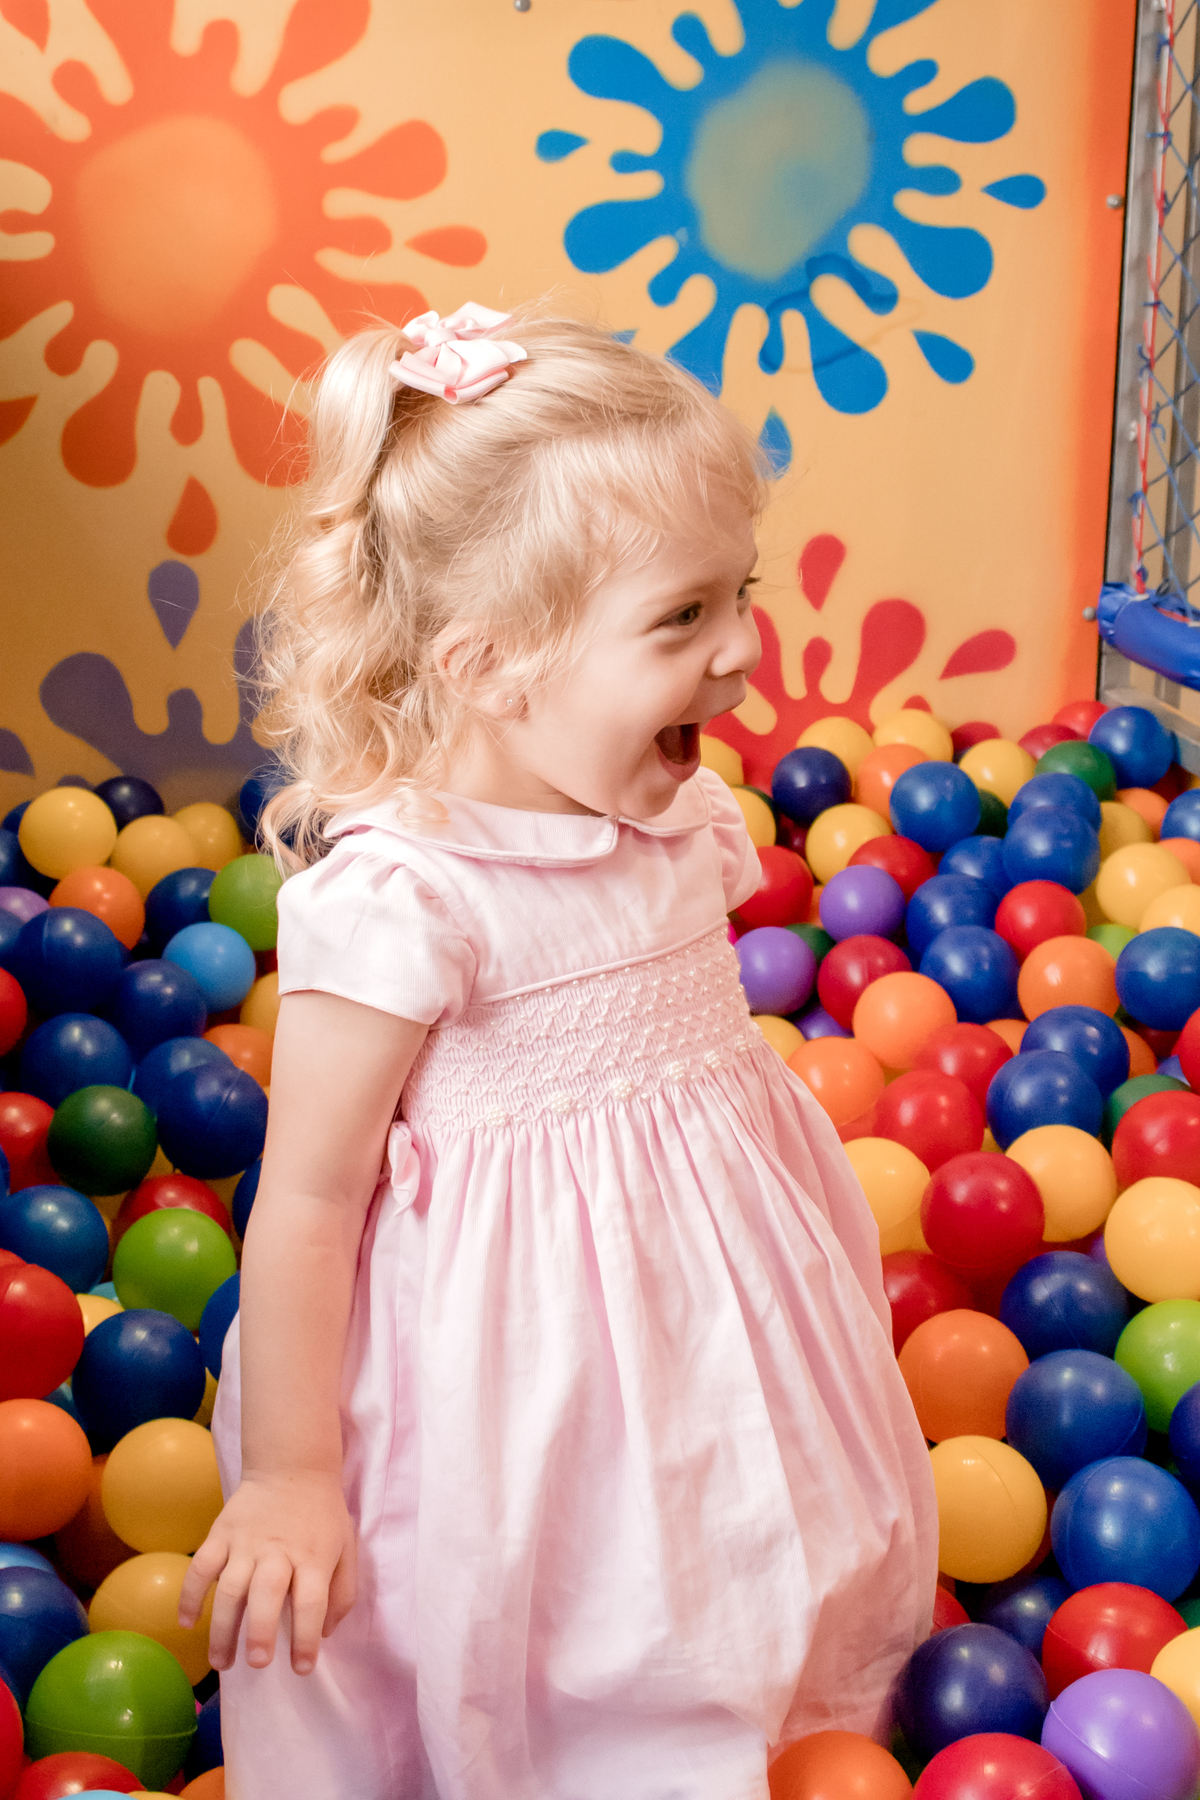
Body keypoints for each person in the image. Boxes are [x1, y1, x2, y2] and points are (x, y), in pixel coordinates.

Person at [180, 302, 938, 1800]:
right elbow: (311, 1200)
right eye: (681, 618)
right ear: (490, 667)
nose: (743, 652)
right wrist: (291, 1478)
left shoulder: (681, 815)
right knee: (557, 1619)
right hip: (512, 1373)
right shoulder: (407, 896)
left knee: (747, 1544)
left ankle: (779, 1723)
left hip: (717, 1317)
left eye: (741, 592)